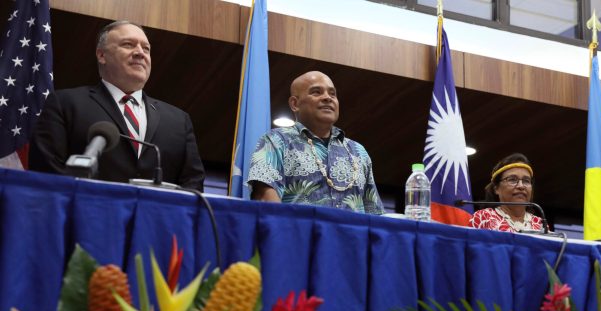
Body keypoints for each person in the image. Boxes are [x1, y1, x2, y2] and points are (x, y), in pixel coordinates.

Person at [29, 21, 205, 191]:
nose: (140, 53)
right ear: (102, 55)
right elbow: (48, 175)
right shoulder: (64, 103)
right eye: (128, 45)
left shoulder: (179, 120)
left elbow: (193, 184)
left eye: (146, 48)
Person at [247, 71, 383, 214]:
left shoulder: (358, 151)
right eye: (316, 92)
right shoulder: (276, 141)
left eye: (332, 94)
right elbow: (264, 198)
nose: (327, 98)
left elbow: (375, 213)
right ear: (295, 104)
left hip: (353, 236)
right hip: (298, 235)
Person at [470, 153, 543, 232]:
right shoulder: (483, 218)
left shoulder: (540, 224)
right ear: (496, 188)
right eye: (512, 180)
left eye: (526, 181)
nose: (521, 186)